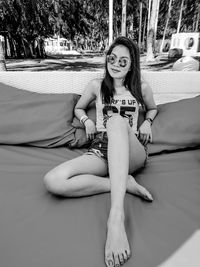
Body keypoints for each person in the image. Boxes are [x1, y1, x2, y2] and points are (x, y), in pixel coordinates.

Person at [44, 36, 158, 267]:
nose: (115, 64)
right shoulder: (96, 86)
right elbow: (79, 107)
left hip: (132, 151)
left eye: (123, 61)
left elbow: (153, 109)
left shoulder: (141, 88)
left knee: (116, 121)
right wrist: (86, 120)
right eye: (112, 58)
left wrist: (147, 122)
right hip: (101, 149)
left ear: (132, 64)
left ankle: (115, 219)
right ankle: (123, 183)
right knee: (53, 180)